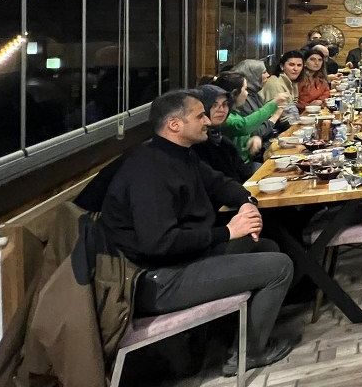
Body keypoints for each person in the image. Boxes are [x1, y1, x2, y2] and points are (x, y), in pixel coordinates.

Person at [101, 90, 297, 375]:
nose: (207, 121)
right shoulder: (149, 170)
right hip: (154, 279)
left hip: (181, 259)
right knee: (280, 267)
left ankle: (228, 334)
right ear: (174, 125)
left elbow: (220, 184)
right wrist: (227, 232)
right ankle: (248, 354)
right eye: (200, 116)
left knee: (266, 246)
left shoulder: (181, 155)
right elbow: (159, 243)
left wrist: (246, 203)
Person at [213, 72, 286, 165]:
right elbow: (244, 125)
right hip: (236, 168)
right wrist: (274, 103)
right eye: (245, 89)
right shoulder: (223, 117)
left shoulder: (235, 112)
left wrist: (253, 138)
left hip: (246, 163)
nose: (247, 93)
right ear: (234, 93)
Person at [191, 84, 253, 182]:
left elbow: (245, 173)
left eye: (225, 104)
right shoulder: (195, 145)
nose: (222, 110)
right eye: (214, 105)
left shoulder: (223, 141)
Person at [235, 58, 287, 143]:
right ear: (252, 75)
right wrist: (276, 114)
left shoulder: (254, 94)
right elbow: (255, 133)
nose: (268, 75)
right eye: (264, 72)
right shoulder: (242, 99)